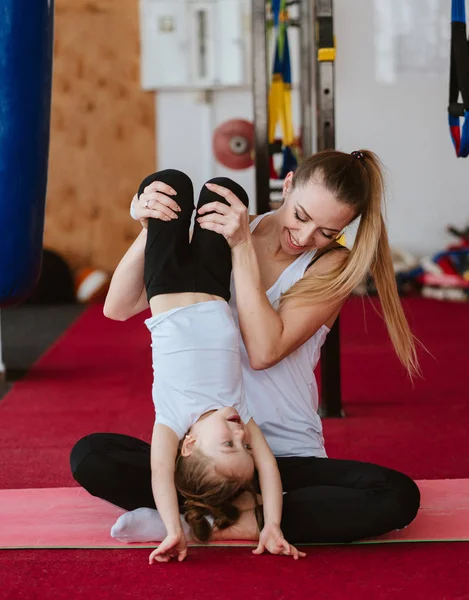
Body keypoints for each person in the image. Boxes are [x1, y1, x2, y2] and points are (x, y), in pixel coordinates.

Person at [70, 149, 421, 545]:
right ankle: (212, 508)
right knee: (92, 456)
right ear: (287, 185)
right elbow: (117, 308)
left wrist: (241, 249)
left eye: (327, 231)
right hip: (212, 457)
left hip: (286, 457)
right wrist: (150, 228)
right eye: (301, 216)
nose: (305, 237)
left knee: (396, 495)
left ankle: (209, 522)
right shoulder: (218, 231)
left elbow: (264, 350)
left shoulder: (332, 265)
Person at [105, 169, 304, 563]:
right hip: (213, 284)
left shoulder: (173, 421)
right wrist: (273, 525)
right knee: (227, 191)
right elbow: (269, 469)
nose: (239, 435)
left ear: (191, 445)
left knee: (168, 183)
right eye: (244, 446)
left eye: (228, 444)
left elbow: (160, 473)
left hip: (167, 283)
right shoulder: (240, 415)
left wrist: (173, 530)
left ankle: (148, 213)